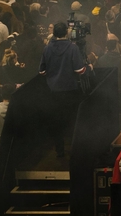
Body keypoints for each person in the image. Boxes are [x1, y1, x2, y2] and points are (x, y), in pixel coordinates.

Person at [38, 22, 89, 157]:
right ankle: (75, 151)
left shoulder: (47, 49)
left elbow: (42, 71)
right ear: (66, 32)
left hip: (53, 92)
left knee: (56, 122)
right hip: (70, 90)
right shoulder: (73, 48)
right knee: (72, 120)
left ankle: (59, 151)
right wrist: (89, 68)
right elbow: (80, 70)